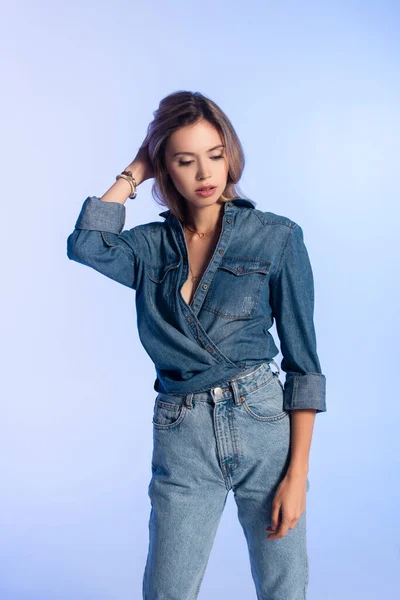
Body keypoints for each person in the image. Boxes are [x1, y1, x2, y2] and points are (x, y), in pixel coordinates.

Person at [67, 90, 326, 600]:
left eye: (215, 154)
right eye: (185, 160)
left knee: (283, 589)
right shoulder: (148, 247)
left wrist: (296, 477)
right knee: (168, 591)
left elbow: (304, 367)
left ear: (230, 154)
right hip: (182, 434)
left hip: (262, 425)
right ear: (167, 168)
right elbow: (86, 246)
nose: (205, 173)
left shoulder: (275, 237)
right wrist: (134, 171)